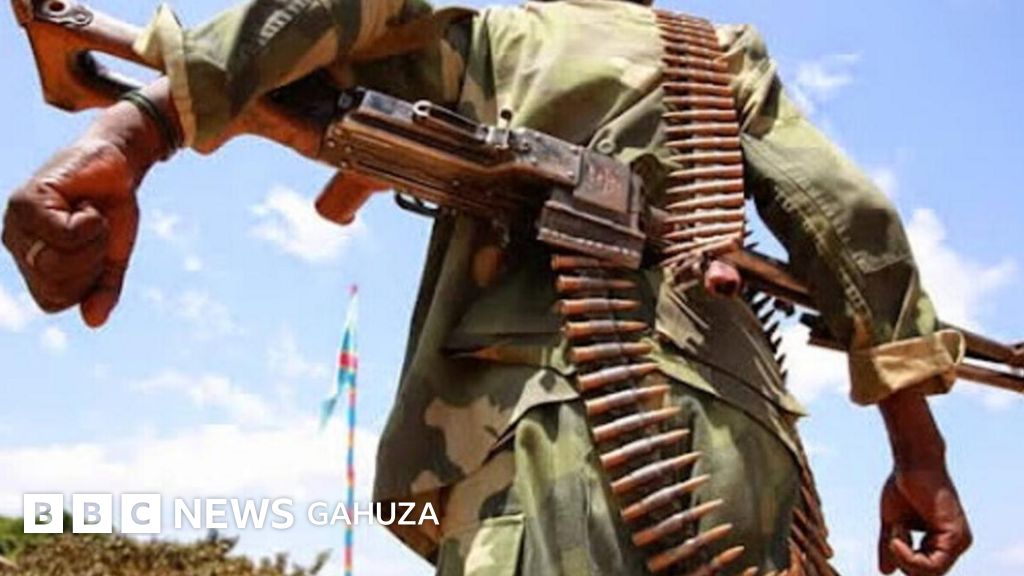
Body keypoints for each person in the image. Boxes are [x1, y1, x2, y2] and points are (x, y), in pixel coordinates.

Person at [2, 0, 972, 574]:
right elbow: (852, 226)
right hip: (742, 450)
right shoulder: (711, 55)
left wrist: (133, 133)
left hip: (561, 424)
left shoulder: (504, 40)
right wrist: (918, 454)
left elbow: (331, 16)